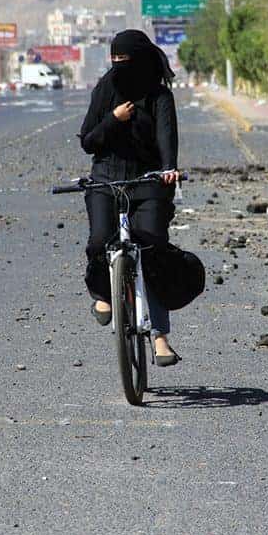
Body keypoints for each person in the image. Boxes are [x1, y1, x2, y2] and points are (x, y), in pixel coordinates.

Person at [78, 29, 182, 366]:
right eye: (115, 60)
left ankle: (160, 337)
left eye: (125, 60)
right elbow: (89, 141)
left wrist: (169, 169)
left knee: (152, 251)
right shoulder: (105, 89)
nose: (119, 66)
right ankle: (103, 293)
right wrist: (113, 119)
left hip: (147, 181)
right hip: (105, 179)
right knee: (99, 241)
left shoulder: (159, 96)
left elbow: (167, 137)